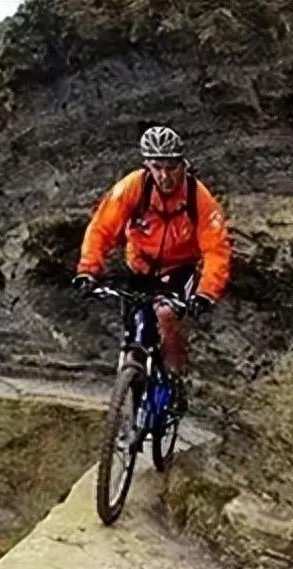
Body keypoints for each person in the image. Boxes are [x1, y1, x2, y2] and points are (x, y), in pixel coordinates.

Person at [72, 125, 232, 414]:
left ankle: (174, 378)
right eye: (157, 167)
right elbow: (101, 229)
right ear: (147, 165)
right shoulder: (132, 187)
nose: (164, 176)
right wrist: (88, 270)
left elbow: (216, 249)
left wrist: (206, 292)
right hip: (140, 266)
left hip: (179, 268)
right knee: (135, 332)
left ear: (182, 165)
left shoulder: (198, 197)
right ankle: (128, 402)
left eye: (171, 167)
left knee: (165, 312)